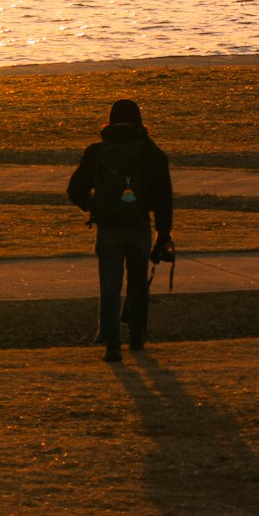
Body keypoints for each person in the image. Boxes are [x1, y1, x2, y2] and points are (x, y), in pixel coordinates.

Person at [66, 97, 174, 361]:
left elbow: (75, 189)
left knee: (110, 285)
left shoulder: (97, 151)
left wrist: (92, 206)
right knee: (138, 284)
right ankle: (137, 337)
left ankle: (112, 343)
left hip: (108, 228)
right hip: (139, 227)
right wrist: (164, 233)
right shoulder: (151, 153)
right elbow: (163, 197)